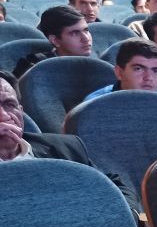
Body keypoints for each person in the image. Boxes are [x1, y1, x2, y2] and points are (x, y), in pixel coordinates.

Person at [0, 71, 140, 212]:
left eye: (9, 104)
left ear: (21, 111)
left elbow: (114, 186)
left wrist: (126, 217)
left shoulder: (67, 147)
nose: (4, 115)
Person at [15, 5, 94, 77]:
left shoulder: (95, 62)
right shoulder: (35, 67)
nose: (86, 38)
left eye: (86, 30)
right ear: (55, 40)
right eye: (74, 33)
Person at [84, 39, 157, 100]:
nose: (148, 78)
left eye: (156, 71)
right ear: (119, 73)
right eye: (138, 69)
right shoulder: (95, 105)